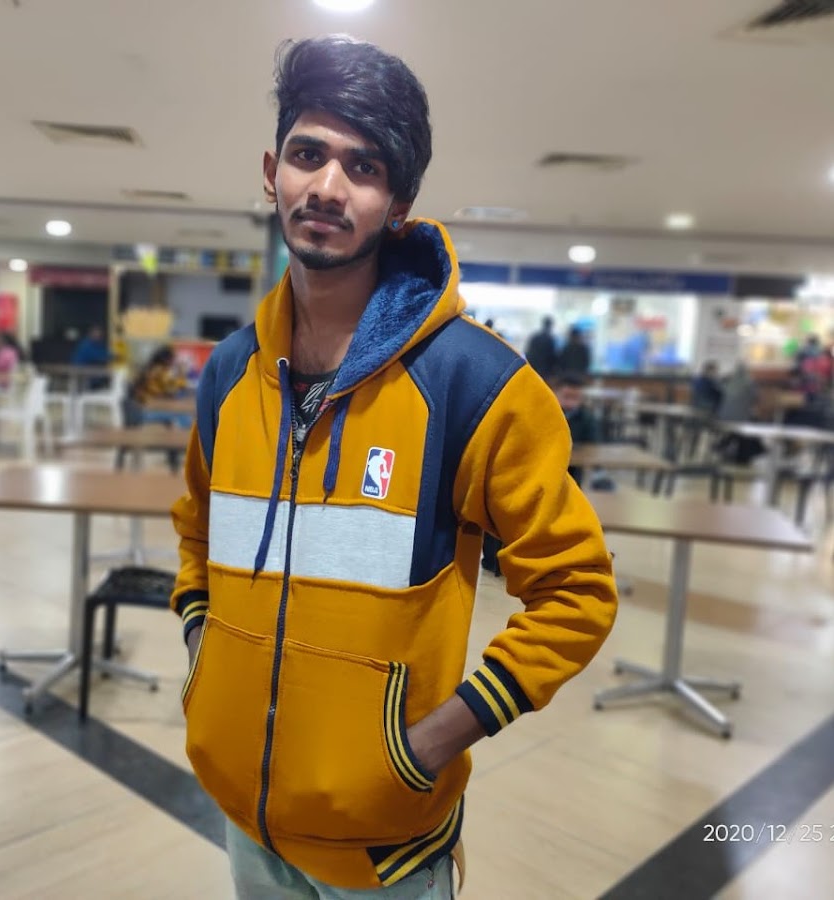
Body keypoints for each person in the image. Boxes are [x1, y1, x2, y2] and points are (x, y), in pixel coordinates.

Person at [170, 36, 617, 899]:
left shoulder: (475, 383)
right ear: (271, 172)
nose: (328, 187)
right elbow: (197, 532)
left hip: (387, 852)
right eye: (308, 154)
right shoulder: (230, 374)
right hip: (242, 817)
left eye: (363, 166)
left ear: (399, 202)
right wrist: (203, 661)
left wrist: (425, 746)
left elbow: (578, 592)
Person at [127, 344, 191, 429]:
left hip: (143, 409)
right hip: (146, 412)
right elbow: (172, 391)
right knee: (184, 416)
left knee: (181, 411)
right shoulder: (159, 371)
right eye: (172, 358)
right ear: (166, 359)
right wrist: (181, 374)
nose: (173, 361)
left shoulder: (151, 368)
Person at [524, 315, 557, 380]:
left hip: (534, 367)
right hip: (545, 370)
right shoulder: (549, 339)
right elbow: (551, 356)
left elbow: (529, 352)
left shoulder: (535, 337)